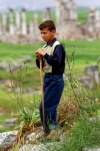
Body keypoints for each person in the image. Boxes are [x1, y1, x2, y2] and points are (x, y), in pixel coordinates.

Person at [35, 20, 65, 141]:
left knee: (49, 106)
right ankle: (46, 131)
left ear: (53, 32)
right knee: (42, 106)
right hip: (47, 78)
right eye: (41, 33)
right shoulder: (45, 47)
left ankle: (53, 131)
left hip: (55, 79)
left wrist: (45, 55)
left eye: (45, 33)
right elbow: (41, 66)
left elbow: (57, 63)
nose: (43, 36)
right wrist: (39, 59)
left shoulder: (57, 46)